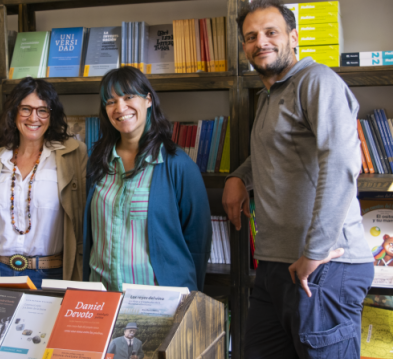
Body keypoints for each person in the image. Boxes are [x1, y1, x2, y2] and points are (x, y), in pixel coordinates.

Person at [223, 1, 374, 358]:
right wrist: (238, 177)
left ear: (294, 36)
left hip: (324, 266)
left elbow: (341, 162)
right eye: (251, 36)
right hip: (276, 263)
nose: (261, 42)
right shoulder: (268, 96)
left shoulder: (317, 80)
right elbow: (272, 153)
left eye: (270, 33)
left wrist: (315, 251)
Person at [82, 66, 212, 292]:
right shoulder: (98, 163)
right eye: (110, 101)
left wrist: (190, 294)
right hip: (101, 296)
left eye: (129, 96)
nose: (120, 107)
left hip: (157, 300)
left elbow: (197, 244)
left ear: (148, 100)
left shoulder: (178, 165)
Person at [0, 77, 87, 289]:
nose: (34, 117)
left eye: (42, 110)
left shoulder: (74, 154)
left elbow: (85, 214)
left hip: (53, 274)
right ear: (14, 114)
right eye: (26, 109)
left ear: (51, 115)